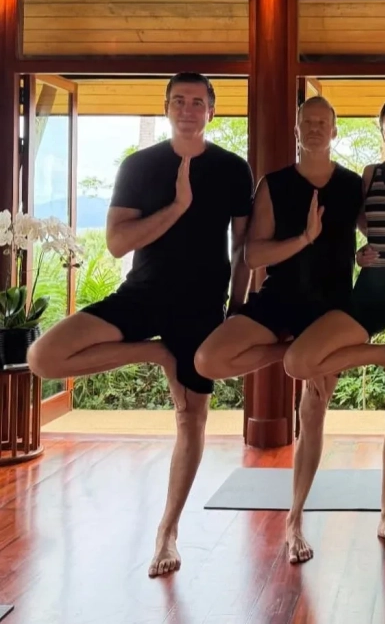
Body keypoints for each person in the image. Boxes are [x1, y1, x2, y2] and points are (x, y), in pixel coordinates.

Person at [26, 72, 254, 578]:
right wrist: (177, 207)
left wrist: (237, 307)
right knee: (43, 357)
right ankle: (155, 352)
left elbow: (243, 248)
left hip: (201, 307)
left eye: (197, 102)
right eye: (179, 101)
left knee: (190, 420)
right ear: (167, 108)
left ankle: (167, 531)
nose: (188, 109)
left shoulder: (232, 168)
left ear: (211, 110)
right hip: (142, 295)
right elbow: (116, 243)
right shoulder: (140, 165)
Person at [193, 95, 363, 564]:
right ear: (296, 129)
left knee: (313, 412)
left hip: (329, 311)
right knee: (209, 358)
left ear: (334, 130)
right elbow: (253, 255)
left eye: (323, 122)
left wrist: (372, 256)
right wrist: (304, 239)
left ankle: (295, 518)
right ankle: (291, 353)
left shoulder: (352, 185)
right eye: (307, 121)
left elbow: (379, 231)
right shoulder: (275, 184)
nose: (315, 128)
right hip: (278, 300)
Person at [283, 99, 385, 557]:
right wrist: (360, 252)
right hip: (370, 292)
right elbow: (353, 227)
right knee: (307, 381)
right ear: (382, 132)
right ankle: (294, 519)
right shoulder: (369, 177)